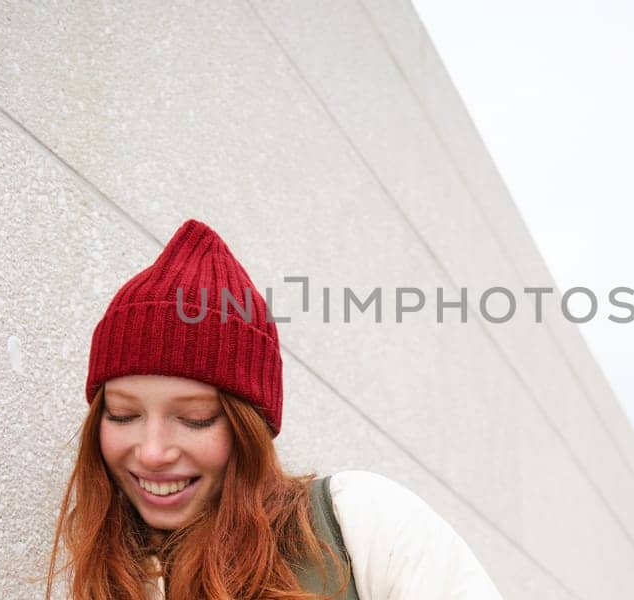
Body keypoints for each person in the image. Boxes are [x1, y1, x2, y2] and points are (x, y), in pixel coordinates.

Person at [46, 219, 503, 600]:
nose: (152, 452)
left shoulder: (357, 523)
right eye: (123, 415)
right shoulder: (114, 579)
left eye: (195, 418)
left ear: (250, 427)